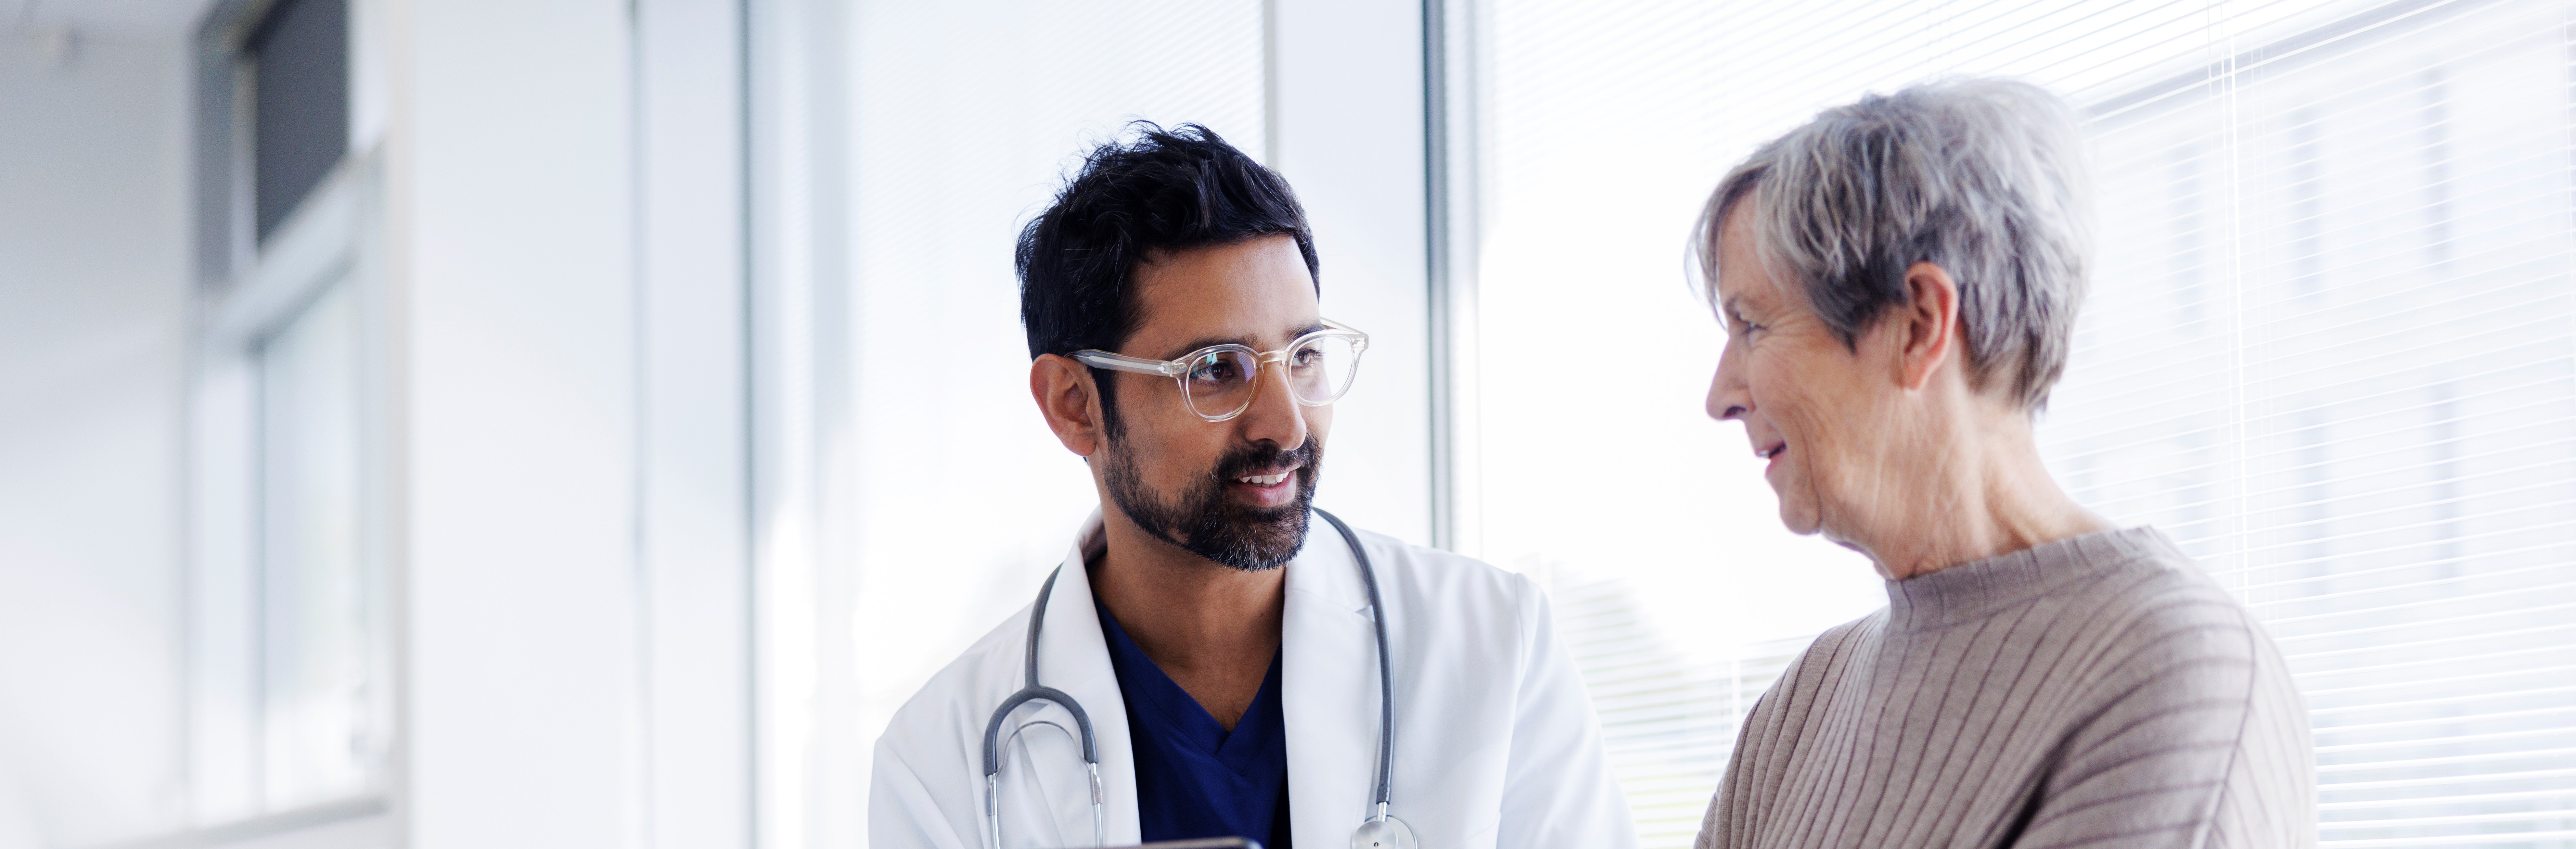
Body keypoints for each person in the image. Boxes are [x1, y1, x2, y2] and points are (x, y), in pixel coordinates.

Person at [868, 124, 1636, 849]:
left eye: (1302, 355)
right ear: (1075, 405)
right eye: (1214, 370)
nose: (1288, 425)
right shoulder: (940, 761)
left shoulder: (1497, 648)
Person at [1690, 80, 2316, 849]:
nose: (1720, 395)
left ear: (1919, 323)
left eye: (1752, 324)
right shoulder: (1799, 709)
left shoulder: (2174, 675)